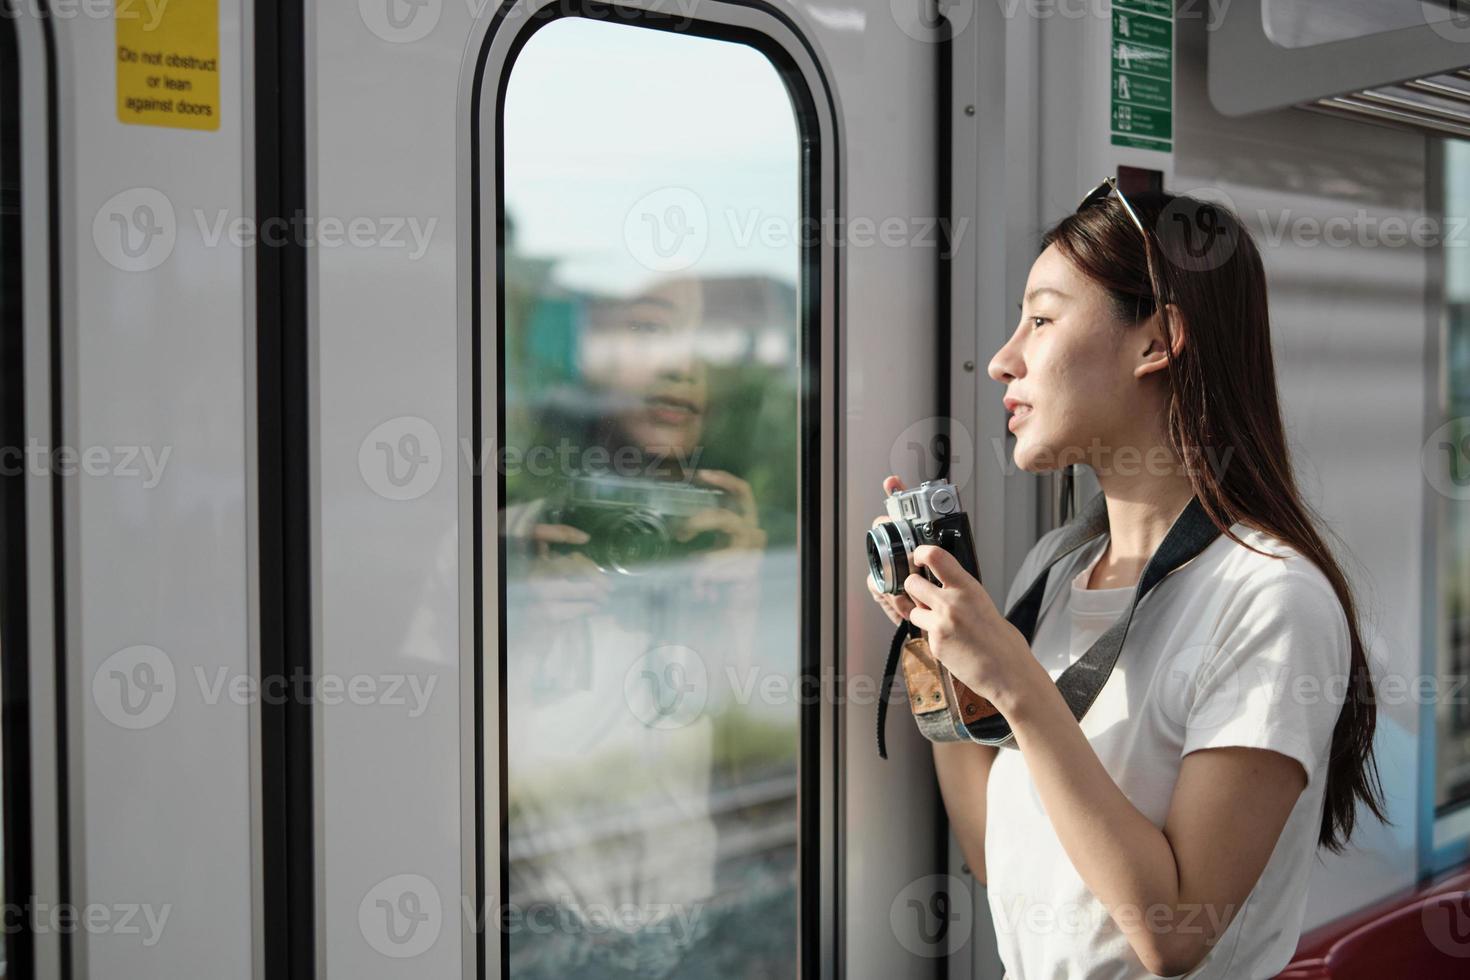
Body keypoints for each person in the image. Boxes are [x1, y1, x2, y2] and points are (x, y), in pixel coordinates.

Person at [868, 182, 1387, 979]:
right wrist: (935, 647)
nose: (1004, 359)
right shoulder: (1056, 569)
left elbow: (1175, 934)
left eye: (1040, 319)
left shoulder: (1271, 598)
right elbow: (990, 855)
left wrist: (1017, 686)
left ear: (1157, 342)